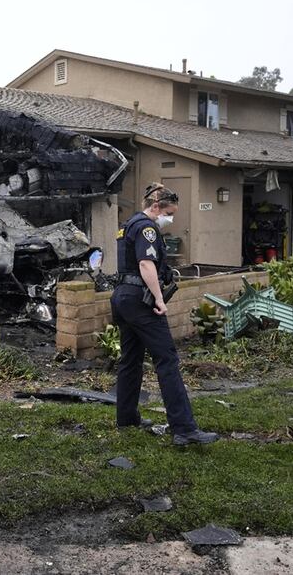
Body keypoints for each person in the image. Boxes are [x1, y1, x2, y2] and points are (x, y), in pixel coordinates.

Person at [112, 183, 218, 446]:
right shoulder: (147, 228)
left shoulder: (128, 224)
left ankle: (127, 418)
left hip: (123, 297)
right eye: (169, 212)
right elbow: (146, 264)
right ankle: (184, 429)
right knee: (167, 360)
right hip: (141, 300)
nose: (170, 218)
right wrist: (159, 299)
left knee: (131, 359)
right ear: (156, 206)